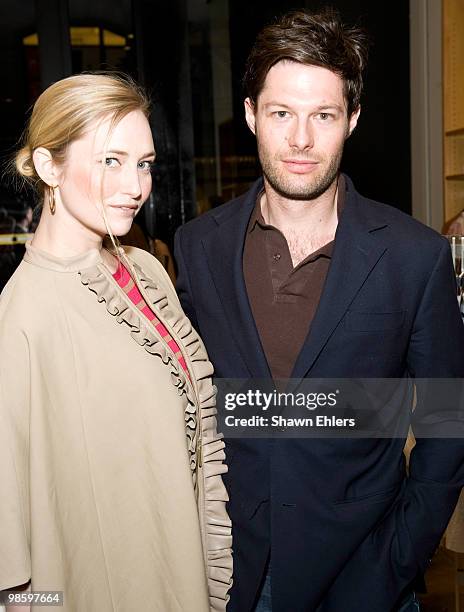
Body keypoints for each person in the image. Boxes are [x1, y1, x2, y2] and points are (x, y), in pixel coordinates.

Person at [174, 9, 464, 612]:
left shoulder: (416, 257)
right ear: (252, 114)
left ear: (351, 119)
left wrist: (395, 562)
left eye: (323, 115)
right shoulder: (199, 248)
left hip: (365, 578)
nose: (300, 139)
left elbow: (447, 425)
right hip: (231, 577)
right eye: (281, 113)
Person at [0, 73, 232, 612]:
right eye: (111, 160)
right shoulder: (21, 319)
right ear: (47, 166)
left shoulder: (145, 268)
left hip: (178, 570)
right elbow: (9, 555)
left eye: (144, 163)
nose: (135, 184)